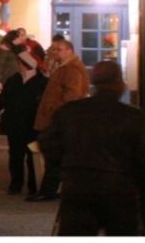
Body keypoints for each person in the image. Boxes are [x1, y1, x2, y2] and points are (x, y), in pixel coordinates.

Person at [40, 61, 145, 235]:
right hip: (119, 188)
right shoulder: (134, 117)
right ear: (119, 84)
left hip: (78, 185)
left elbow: (48, 143)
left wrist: (65, 168)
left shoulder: (70, 112)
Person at [29, 36, 90, 201]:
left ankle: (49, 190)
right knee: (54, 157)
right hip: (56, 118)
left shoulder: (71, 69)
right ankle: (49, 189)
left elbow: (72, 96)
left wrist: (54, 112)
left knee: (54, 156)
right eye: (54, 49)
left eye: (59, 50)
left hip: (58, 120)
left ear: (69, 51)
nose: (55, 53)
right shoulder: (64, 67)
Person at [0, 53, 47, 195]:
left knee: (32, 156)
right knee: (15, 155)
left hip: (32, 124)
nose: (17, 65)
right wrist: (1, 110)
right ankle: (16, 183)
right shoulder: (14, 79)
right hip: (15, 123)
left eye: (20, 63)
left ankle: (33, 184)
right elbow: (4, 98)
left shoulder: (42, 82)